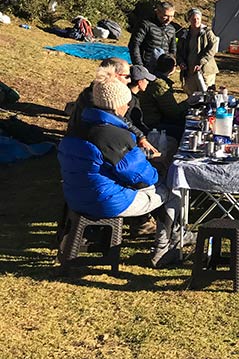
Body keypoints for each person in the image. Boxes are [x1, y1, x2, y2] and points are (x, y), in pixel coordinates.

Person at [57, 70, 187, 267]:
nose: (128, 106)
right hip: (107, 201)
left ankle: (174, 240)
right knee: (171, 190)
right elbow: (143, 177)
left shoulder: (78, 127)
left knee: (156, 186)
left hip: (75, 196)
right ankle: (164, 249)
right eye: (126, 102)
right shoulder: (114, 135)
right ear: (117, 105)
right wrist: (159, 167)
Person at [66, 58, 160, 158]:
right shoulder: (98, 99)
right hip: (86, 152)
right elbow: (110, 139)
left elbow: (119, 119)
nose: (129, 80)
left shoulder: (100, 94)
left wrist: (140, 137)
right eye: (126, 76)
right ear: (112, 75)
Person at [137, 54, 187, 140]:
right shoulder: (159, 85)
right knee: (184, 130)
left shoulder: (154, 78)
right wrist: (188, 102)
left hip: (150, 118)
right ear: (172, 68)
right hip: (152, 123)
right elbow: (173, 112)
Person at [176, 8, 219, 96]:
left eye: (198, 18)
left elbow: (213, 48)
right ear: (189, 20)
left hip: (206, 70)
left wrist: (202, 62)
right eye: (193, 19)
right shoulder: (185, 34)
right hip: (189, 70)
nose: (196, 21)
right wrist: (181, 62)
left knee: (207, 94)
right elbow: (179, 51)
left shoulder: (207, 32)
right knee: (192, 95)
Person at [129, 1, 177, 72]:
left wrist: (172, 65)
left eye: (172, 16)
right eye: (166, 15)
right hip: (146, 65)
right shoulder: (145, 25)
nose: (169, 19)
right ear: (157, 12)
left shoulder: (171, 29)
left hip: (164, 68)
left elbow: (173, 50)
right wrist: (139, 65)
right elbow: (134, 44)